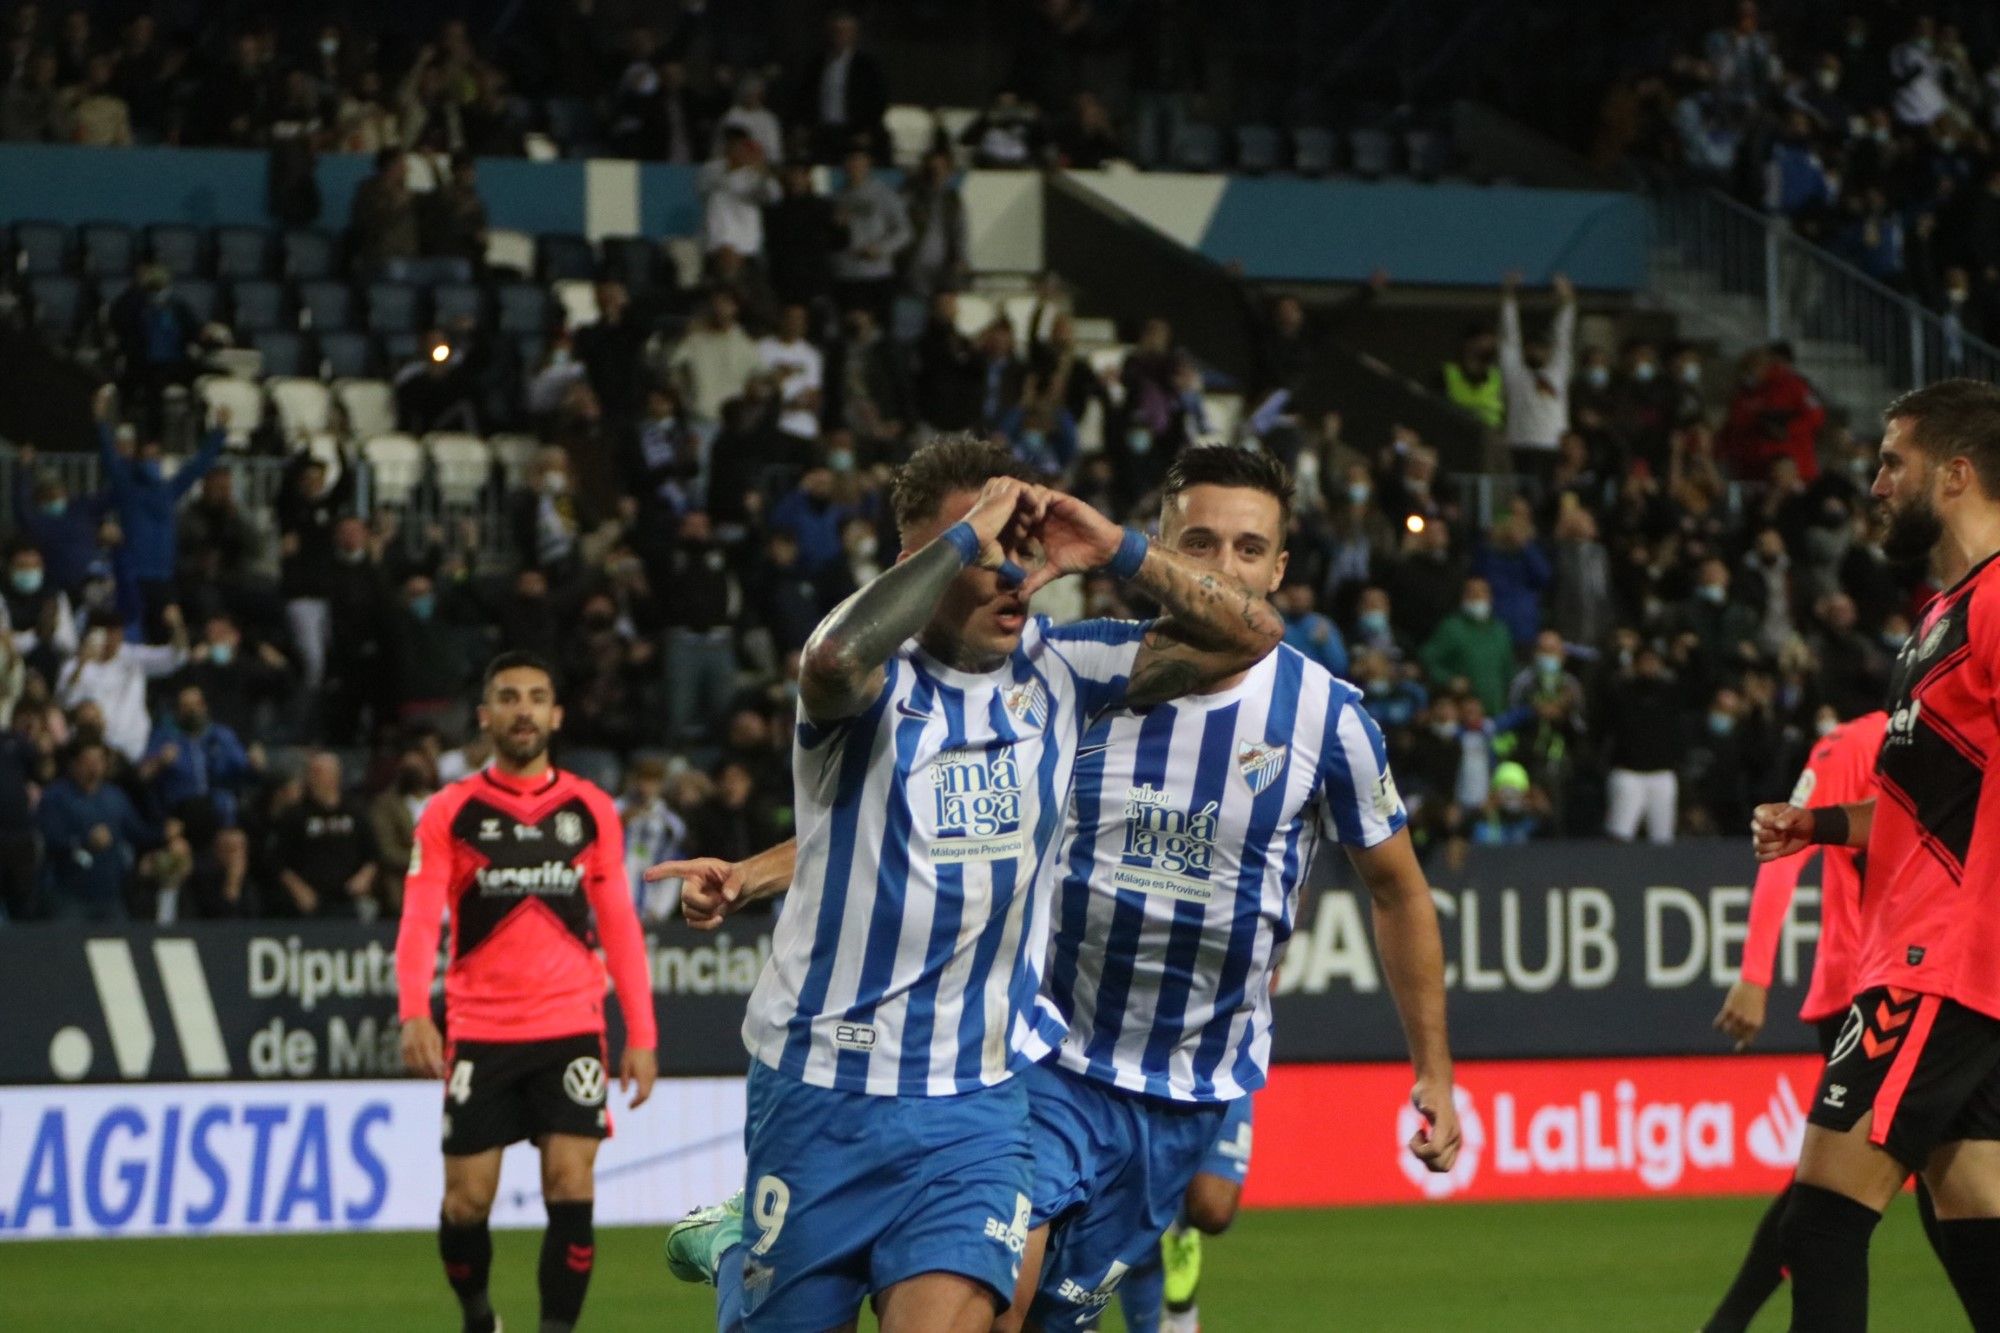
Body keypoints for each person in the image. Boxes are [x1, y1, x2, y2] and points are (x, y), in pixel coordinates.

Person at [653, 435, 1282, 1332]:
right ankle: (732, 1251)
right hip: (823, 1084)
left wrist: (1112, 549)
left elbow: (1254, 633)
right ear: (919, 564)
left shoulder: (1065, 672)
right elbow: (830, 661)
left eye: (1019, 552)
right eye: (982, 553)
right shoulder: (867, 685)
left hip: (976, 1101)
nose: (1009, 575)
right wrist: (970, 532)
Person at [1750, 379, 2000, 1332]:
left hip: (1939, 962)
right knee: (1978, 1227)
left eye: (1894, 460)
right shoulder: (1944, 615)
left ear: (1957, 471)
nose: (1876, 481)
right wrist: (1818, 826)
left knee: (1819, 1224)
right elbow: (1925, 809)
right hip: (1949, 963)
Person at [396, 652, 657, 1333]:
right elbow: (420, 916)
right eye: (508, 697)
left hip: (571, 1023)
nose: (523, 709)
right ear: (485, 717)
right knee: (464, 1203)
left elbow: (621, 925)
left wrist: (644, 1034)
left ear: (556, 714)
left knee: (571, 1184)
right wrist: (413, 1011)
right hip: (480, 1027)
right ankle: (479, 1317)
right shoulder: (450, 811)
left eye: (537, 697)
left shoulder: (591, 808)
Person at [1705, 709, 1920, 1333]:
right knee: (1832, 1192)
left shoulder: (1952, 739)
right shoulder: (1846, 745)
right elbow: (1782, 845)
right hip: (1862, 987)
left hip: (1927, 984)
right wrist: (1754, 973)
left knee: (1937, 1181)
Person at [271, 752, 379, 919]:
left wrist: (364, 878)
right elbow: (278, 861)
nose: (311, 778)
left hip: (348, 897)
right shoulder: (296, 815)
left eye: (317, 772)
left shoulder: (355, 811)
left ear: (335, 776)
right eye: (310, 773)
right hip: (309, 899)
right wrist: (299, 889)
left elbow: (373, 854)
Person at [1497, 271, 1576, 490]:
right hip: (1520, 445)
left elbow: (1563, 338)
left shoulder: (1557, 372)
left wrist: (1568, 303)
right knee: (1522, 497)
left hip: (1553, 447)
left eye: (1542, 348)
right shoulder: (1515, 374)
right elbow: (1509, 340)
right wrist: (1509, 298)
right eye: (1532, 347)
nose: (1537, 352)